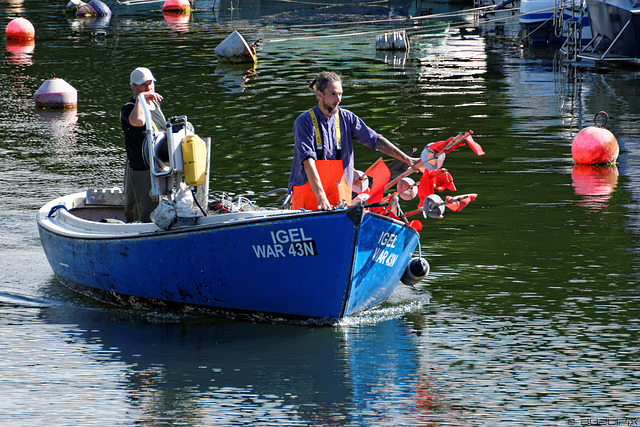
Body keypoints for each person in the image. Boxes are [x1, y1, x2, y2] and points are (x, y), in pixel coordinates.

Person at [288, 71, 421, 210]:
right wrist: (321, 198)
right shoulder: (303, 122)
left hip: (339, 197)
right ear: (320, 95)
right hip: (309, 198)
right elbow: (308, 161)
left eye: (340, 94)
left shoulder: (348, 118)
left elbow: (375, 140)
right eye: (333, 94)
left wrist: (406, 159)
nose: (338, 99)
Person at [120, 67, 166, 223]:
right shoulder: (129, 109)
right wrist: (140, 98)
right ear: (133, 87)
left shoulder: (156, 105)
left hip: (160, 167)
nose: (148, 88)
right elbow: (139, 121)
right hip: (141, 169)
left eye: (150, 84)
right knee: (143, 213)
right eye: (143, 85)